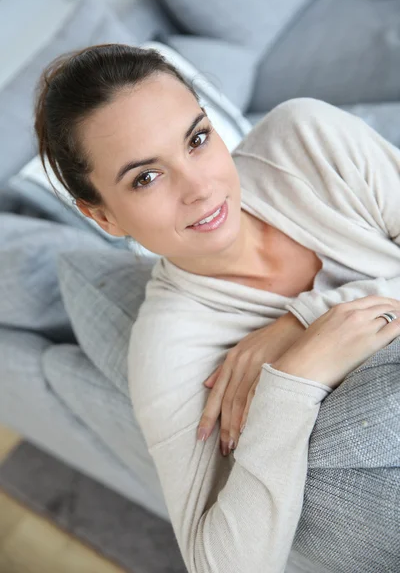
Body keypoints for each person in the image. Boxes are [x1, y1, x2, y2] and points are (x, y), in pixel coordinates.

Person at [33, 43, 400, 573]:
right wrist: (294, 376)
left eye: (197, 140)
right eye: (146, 177)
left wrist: (304, 321)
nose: (200, 187)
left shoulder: (308, 138)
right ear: (103, 218)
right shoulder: (171, 349)